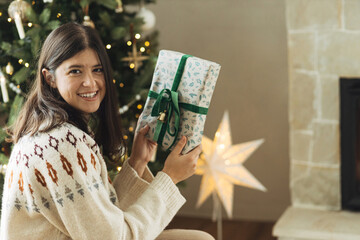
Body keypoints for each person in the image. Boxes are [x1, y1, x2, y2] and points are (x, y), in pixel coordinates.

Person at [0, 22, 214, 240]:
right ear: (50, 78)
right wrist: (170, 177)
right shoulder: (60, 144)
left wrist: (137, 162)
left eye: (97, 70)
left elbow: (101, 217)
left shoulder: (51, 131)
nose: (90, 82)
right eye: (75, 71)